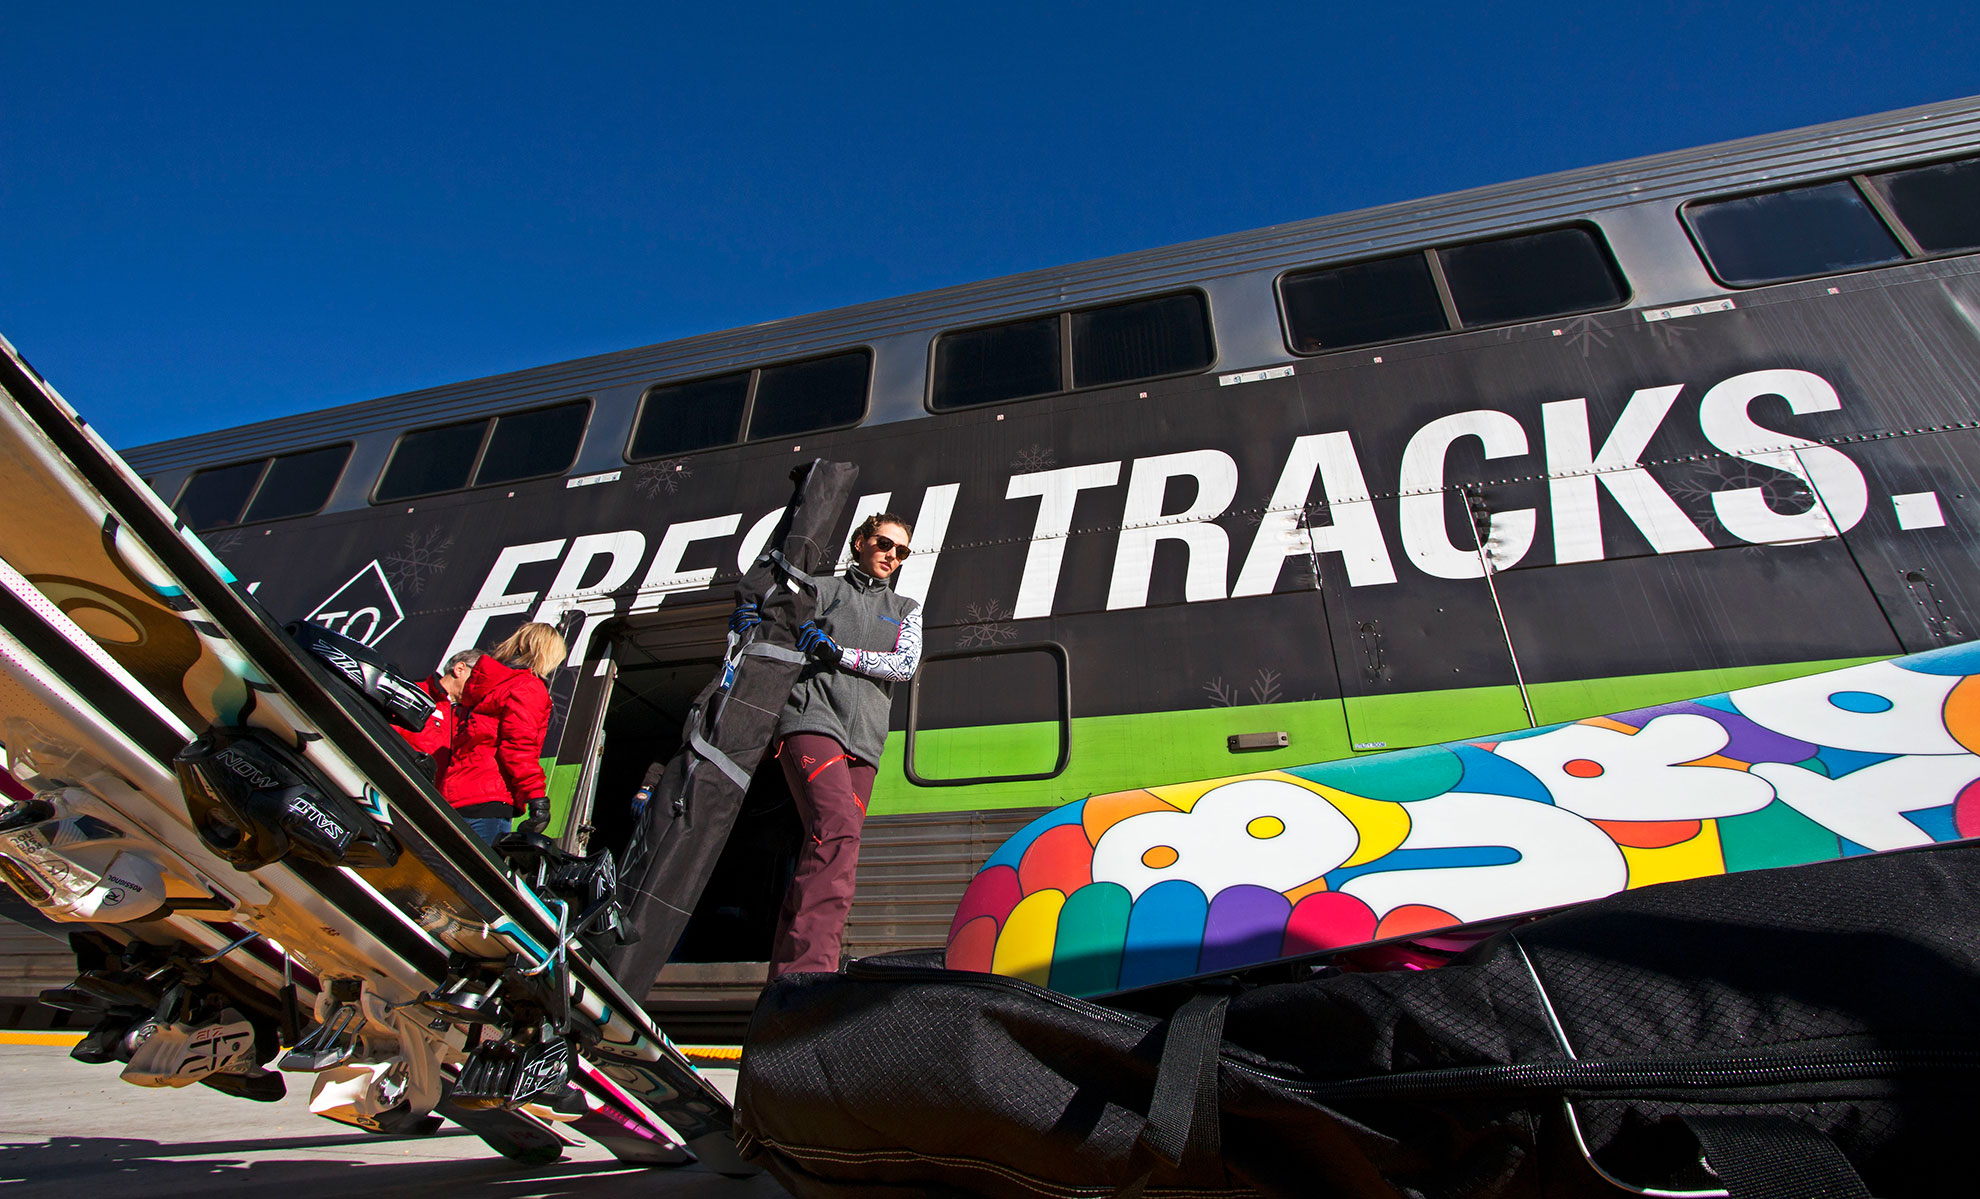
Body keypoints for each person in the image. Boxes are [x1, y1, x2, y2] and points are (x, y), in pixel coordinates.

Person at [754, 513, 921, 977]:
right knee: (838, 830)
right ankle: (812, 974)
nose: (892, 555)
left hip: (865, 741)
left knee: (831, 843)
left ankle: (784, 979)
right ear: (860, 542)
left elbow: (904, 665)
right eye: (884, 543)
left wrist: (839, 653)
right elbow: (775, 632)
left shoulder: (906, 608)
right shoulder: (821, 591)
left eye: (902, 551)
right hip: (811, 718)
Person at [437, 623, 567, 846]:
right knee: (478, 866)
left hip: (456, 794)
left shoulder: (489, 686)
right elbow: (518, 745)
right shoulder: (527, 687)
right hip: (490, 798)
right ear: (547, 654)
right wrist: (536, 798)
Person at [396, 648, 480, 778]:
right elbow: (385, 735)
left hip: (427, 788)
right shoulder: (415, 694)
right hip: (396, 776)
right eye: (479, 680)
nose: (481, 688)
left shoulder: (465, 721)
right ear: (459, 669)